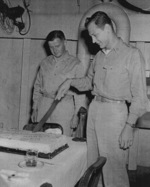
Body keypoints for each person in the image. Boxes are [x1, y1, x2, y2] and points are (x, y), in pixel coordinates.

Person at [55, 12, 148, 187]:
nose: (92, 40)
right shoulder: (98, 56)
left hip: (115, 114)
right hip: (95, 110)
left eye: (94, 35)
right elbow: (89, 82)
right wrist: (69, 82)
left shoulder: (132, 55)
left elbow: (140, 98)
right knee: (92, 166)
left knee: (113, 170)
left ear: (107, 28)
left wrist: (129, 126)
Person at [31, 30, 84, 136]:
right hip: (43, 107)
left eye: (57, 46)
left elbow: (80, 94)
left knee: (61, 141)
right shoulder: (44, 63)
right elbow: (37, 86)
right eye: (51, 47)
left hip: (63, 108)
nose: (54, 50)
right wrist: (34, 107)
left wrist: (76, 115)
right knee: (41, 139)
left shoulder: (75, 64)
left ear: (65, 42)